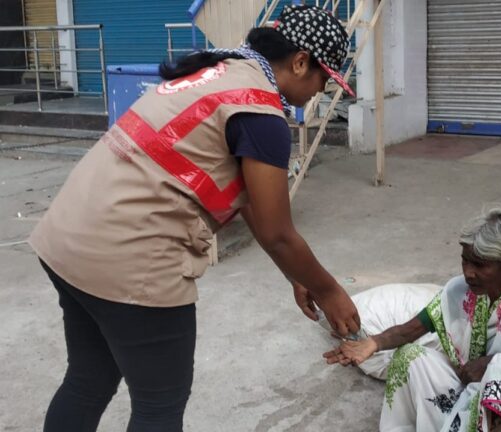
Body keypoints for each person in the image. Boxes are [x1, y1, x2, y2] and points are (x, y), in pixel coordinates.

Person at [29, 5, 360, 432]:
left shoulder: (222, 70)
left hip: (68, 238)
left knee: (87, 380)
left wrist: (297, 275)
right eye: (322, 79)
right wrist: (329, 290)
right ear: (300, 62)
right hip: (130, 261)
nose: (319, 91)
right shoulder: (261, 112)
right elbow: (279, 232)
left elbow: (250, 204)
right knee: (160, 406)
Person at [324, 207, 501, 432]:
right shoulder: (460, 291)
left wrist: (492, 365)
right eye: (465, 261)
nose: (469, 273)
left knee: (500, 387)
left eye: (480, 264)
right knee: (409, 357)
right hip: (476, 391)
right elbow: (412, 329)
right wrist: (372, 344)